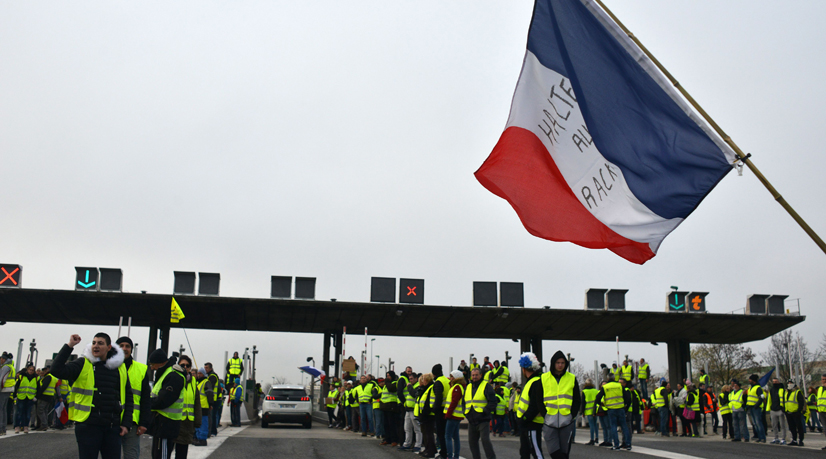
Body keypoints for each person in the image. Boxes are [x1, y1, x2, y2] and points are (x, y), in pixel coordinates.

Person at [50, 333, 134, 459]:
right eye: (94, 343)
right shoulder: (83, 363)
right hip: (88, 426)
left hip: (112, 427)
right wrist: (70, 345)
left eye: (100, 343)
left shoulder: (119, 367)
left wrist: (126, 423)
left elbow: (128, 397)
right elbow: (56, 370)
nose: (96, 346)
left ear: (109, 347)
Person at [116, 336, 151, 459]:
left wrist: (144, 423)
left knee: (131, 455)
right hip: (111, 419)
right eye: (121, 346)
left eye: (127, 346)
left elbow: (146, 399)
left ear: (131, 349)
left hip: (133, 422)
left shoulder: (141, 369)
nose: (124, 348)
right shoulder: (109, 365)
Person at [540, 351, 580, 458]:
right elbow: (538, 398)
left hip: (566, 421)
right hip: (549, 421)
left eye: (562, 363)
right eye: (558, 363)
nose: (560, 365)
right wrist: (544, 414)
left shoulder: (571, 378)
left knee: (564, 453)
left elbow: (577, 399)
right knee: (554, 453)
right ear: (553, 363)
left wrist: (572, 414)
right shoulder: (544, 378)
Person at [148, 349, 186, 459]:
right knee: (157, 455)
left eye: (153, 364)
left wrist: (146, 403)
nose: (152, 368)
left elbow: (163, 400)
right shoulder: (166, 373)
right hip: (161, 424)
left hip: (166, 425)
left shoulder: (173, 376)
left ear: (160, 363)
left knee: (162, 455)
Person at [515, 352, 544, 459]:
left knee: (536, 452)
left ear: (523, 369)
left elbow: (534, 406)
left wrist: (524, 419)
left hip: (531, 423)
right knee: (524, 452)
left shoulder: (534, 382)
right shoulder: (533, 381)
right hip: (527, 424)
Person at [172, 355, 202, 458]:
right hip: (174, 421)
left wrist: (197, 421)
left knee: (182, 454)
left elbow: (196, 402)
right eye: (182, 365)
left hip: (187, 423)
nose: (185, 367)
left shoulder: (193, 381)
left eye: (187, 365)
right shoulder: (173, 378)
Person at [465, 367, 497, 459]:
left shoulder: (486, 386)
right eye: (473, 375)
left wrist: (485, 411)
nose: (474, 377)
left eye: (476, 375)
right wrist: (465, 412)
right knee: (472, 442)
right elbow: (464, 402)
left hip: (483, 419)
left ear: (481, 375)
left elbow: (493, 402)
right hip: (471, 420)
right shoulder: (468, 387)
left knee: (485, 441)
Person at [595, 372, 630, 451]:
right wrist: (625, 406)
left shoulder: (605, 387)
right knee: (624, 426)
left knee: (613, 427)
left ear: (607, 379)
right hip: (620, 408)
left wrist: (602, 404)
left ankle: (616, 445)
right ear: (614, 378)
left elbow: (598, 398)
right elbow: (627, 397)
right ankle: (628, 444)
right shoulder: (619, 386)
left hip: (611, 409)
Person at [444, 370, 466, 459]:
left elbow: (454, 401)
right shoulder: (459, 386)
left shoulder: (457, 387)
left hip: (453, 415)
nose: (450, 378)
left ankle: (450, 455)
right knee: (455, 437)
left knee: (448, 436)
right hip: (457, 415)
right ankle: (455, 456)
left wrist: (448, 413)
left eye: (452, 376)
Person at [416, 373, 437, 458]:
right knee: (426, 433)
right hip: (425, 414)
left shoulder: (430, 388)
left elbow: (429, 402)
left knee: (429, 434)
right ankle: (429, 449)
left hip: (428, 415)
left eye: (423, 379)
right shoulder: (426, 388)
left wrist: (425, 412)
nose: (422, 381)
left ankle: (430, 451)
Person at [13, 364, 38, 434]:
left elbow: (38, 388)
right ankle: (17, 426)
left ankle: (25, 426)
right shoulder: (22, 376)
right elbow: (16, 386)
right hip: (21, 396)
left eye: (32, 370)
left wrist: (36, 397)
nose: (31, 371)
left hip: (30, 397)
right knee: (19, 413)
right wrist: (15, 396)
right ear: (27, 370)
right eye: (30, 370)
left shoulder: (36, 378)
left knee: (27, 414)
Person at [33, 365, 56, 431]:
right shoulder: (53, 377)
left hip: (44, 396)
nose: (44, 371)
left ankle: (44, 425)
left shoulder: (48, 377)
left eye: (45, 370)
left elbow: (43, 387)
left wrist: (38, 395)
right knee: (45, 411)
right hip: (50, 396)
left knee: (40, 411)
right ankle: (45, 424)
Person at [745, 374, 766, 443]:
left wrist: (756, 406)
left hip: (756, 408)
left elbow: (762, 397)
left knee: (758, 423)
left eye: (750, 379)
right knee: (755, 424)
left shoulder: (758, 388)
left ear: (753, 380)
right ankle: (759, 437)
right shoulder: (750, 388)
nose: (749, 380)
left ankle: (762, 438)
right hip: (751, 407)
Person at [785, 379, 806, 446]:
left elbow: (801, 402)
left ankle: (800, 440)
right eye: (788, 383)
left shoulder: (797, 392)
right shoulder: (786, 392)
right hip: (788, 412)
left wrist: (799, 411)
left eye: (791, 383)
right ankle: (794, 440)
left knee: (799, 427)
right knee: (792, 427)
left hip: (796, 413)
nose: (789, 384)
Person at [203, 362, 221, 436]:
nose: (205, 369)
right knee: (212, 415)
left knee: (212, 416)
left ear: (210, 368)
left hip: (214, 399)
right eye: (205, 368)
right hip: (214, 399)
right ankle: (213, 431)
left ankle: (213, 431)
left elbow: (210, 388)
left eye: (207, 368)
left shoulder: (212, 376)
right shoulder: (210, 376)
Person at [767, 377, 787, 444]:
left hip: (780, 409)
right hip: (773, 409)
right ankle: (776, 438)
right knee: (774, 425)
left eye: (776, 381)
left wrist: (783, 408)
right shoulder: (771, 390)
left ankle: (783, 439)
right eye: (773, 382)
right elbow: (769, 399)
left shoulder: (782, 390)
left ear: (779, 382)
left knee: (782, 425)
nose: (774, 383)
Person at [194, 368, 211, 446]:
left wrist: (210, 404)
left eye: (200, 373)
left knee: (203, 423)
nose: (198, 375)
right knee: (198, 423)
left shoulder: (206, 382)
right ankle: (198, 438)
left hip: (204, 406)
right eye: (198, 373)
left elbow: (209, 394)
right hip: (198, 406)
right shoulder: (198, 382)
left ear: (203, 374)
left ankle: (202, 439)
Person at [0, 352, 14, 436]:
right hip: (8, 390)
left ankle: (1, 428)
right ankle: (3, 428)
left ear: (3, 359)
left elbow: (2, 379)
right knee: (4, 409)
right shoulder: (11, 366)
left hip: (3, 390)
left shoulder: (5, 367)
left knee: (1, 409)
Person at [581, 379, 598, 446]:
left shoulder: (584, 391)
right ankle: (597, 438)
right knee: (595, 424)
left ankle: (592, 439)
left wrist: (582, 412)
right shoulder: (595, 391)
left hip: (588, 410)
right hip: (595, 410)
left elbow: (583, 402)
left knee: (591, 425)